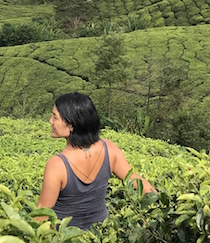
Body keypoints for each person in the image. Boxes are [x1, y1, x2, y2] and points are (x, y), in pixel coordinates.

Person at [37, 92, 156, 230]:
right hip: (100, 233)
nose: (50, 121)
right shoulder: (109, 149)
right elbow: (141, 184)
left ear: (71, 125)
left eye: (55, 117)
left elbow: (41, 215)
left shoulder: (56, 165)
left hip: (65, 237)